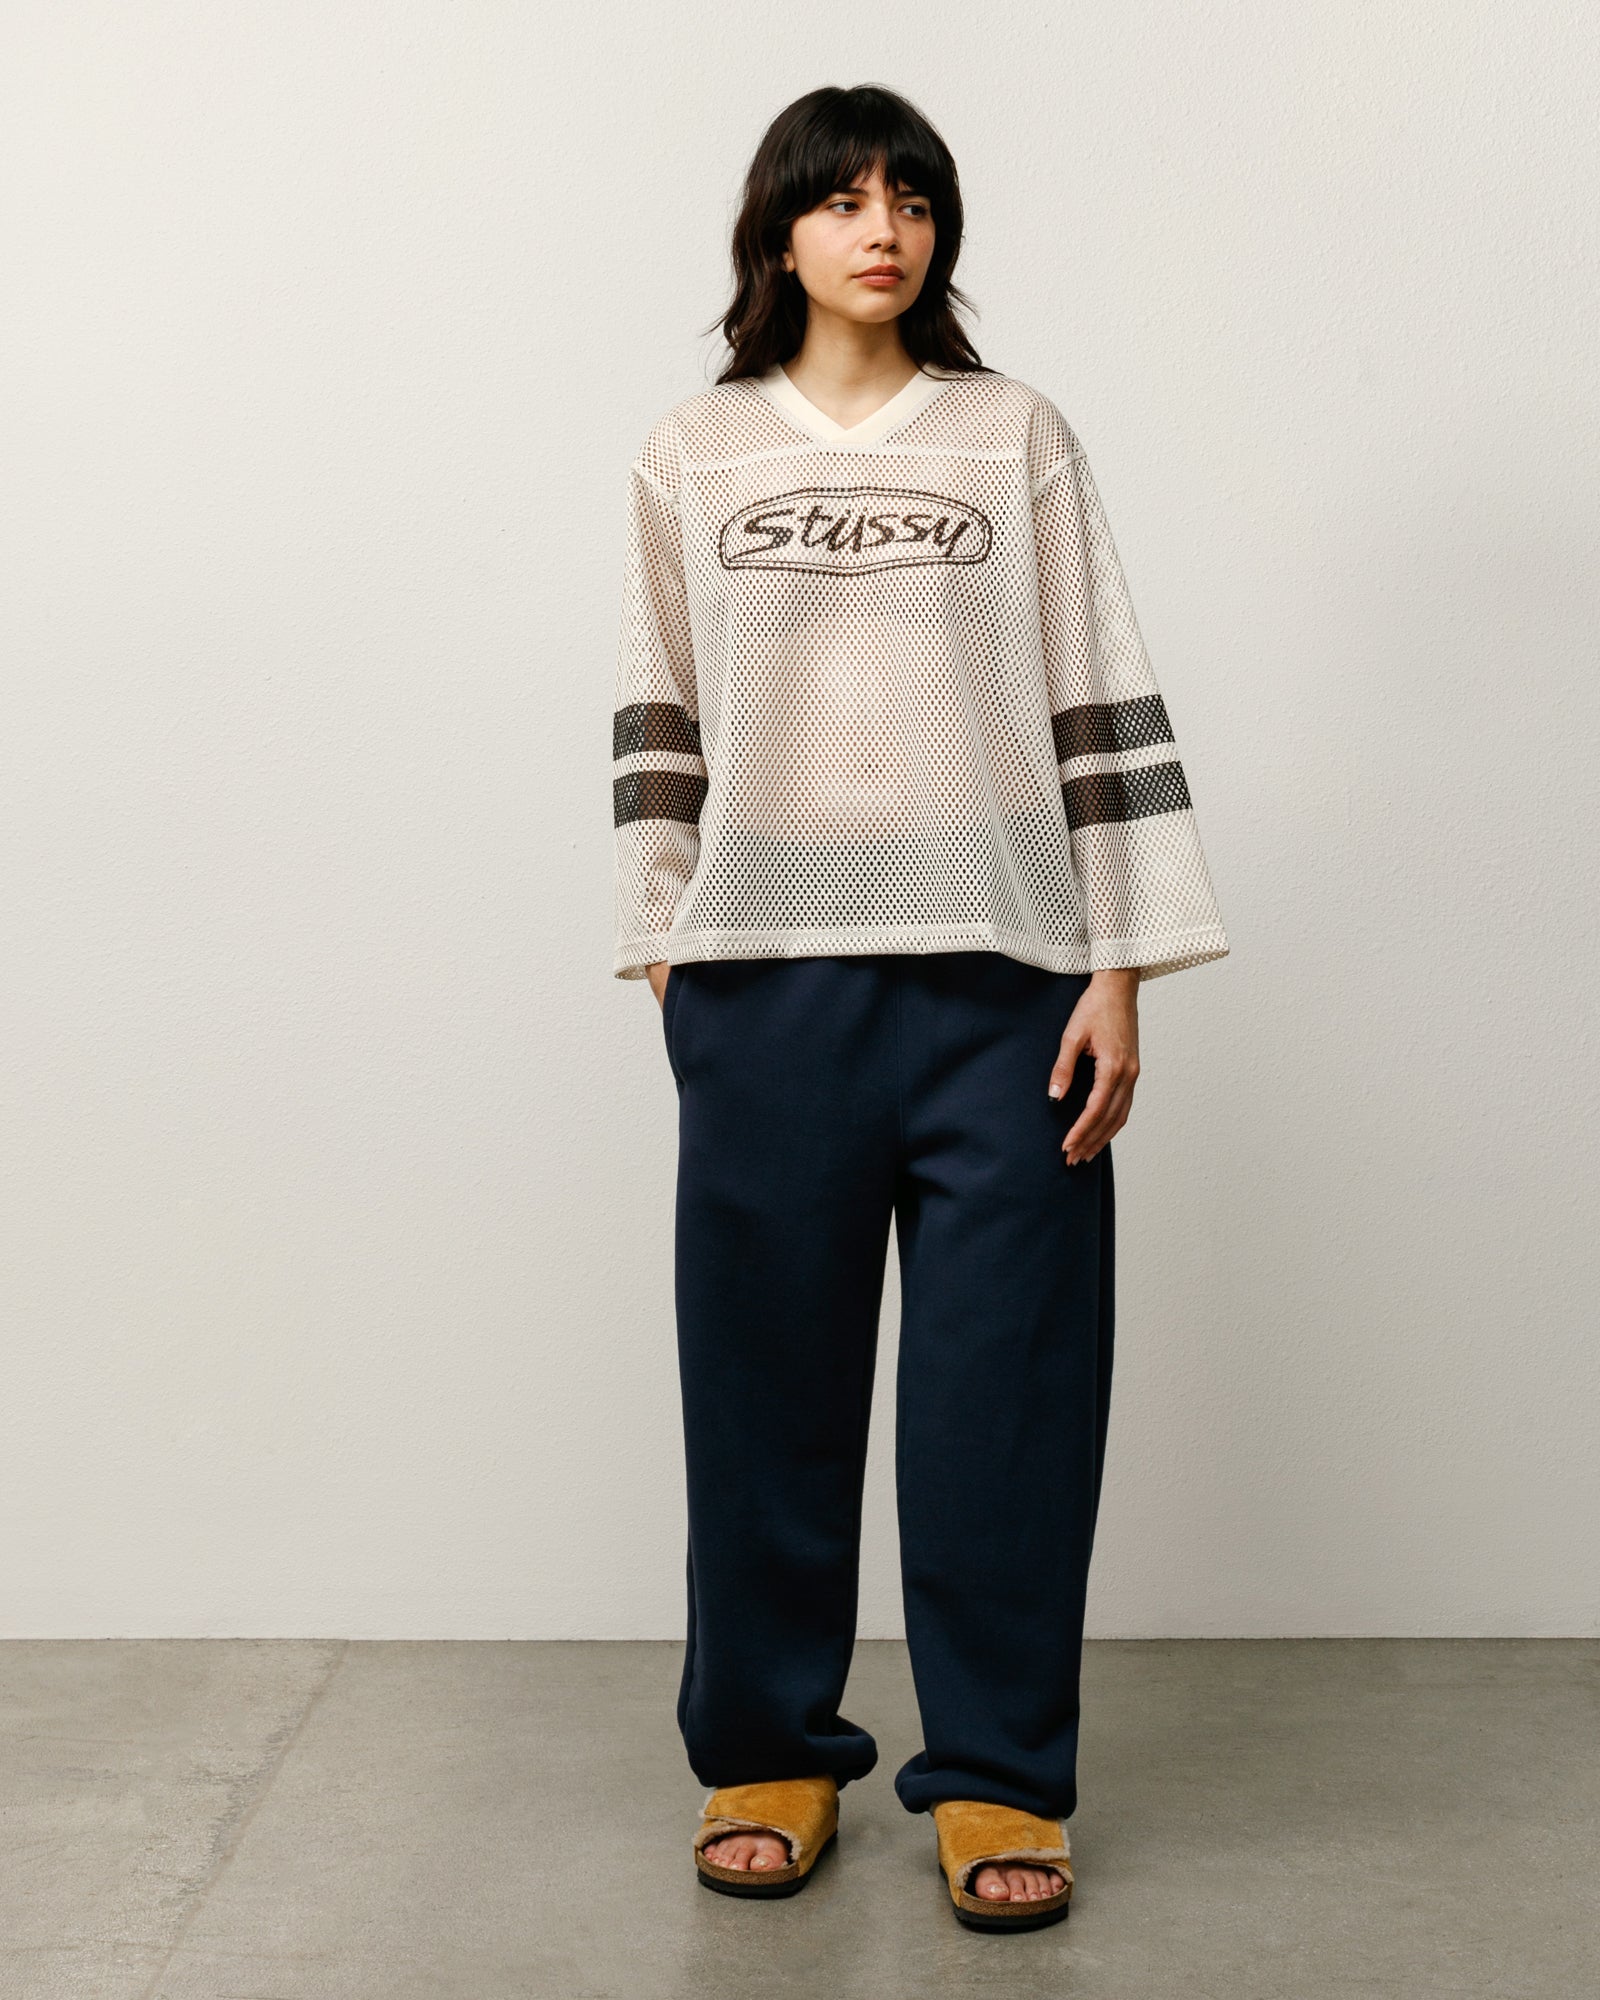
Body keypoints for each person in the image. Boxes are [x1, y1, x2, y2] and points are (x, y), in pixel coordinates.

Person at [610, 83, 1229, 1932]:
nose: (881, 229)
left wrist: (1120, 966)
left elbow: (1096, 692)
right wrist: (667, 942)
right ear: (779, 233)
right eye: (843, 199)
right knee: (765, 1400)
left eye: (913, 199)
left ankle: (1002, 1777)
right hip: (766, 994)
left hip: (1008, 987)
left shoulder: (1011, 435)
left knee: (1005, 1409)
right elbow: (661, 716)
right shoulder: (694, 453)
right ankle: (766, 1753)